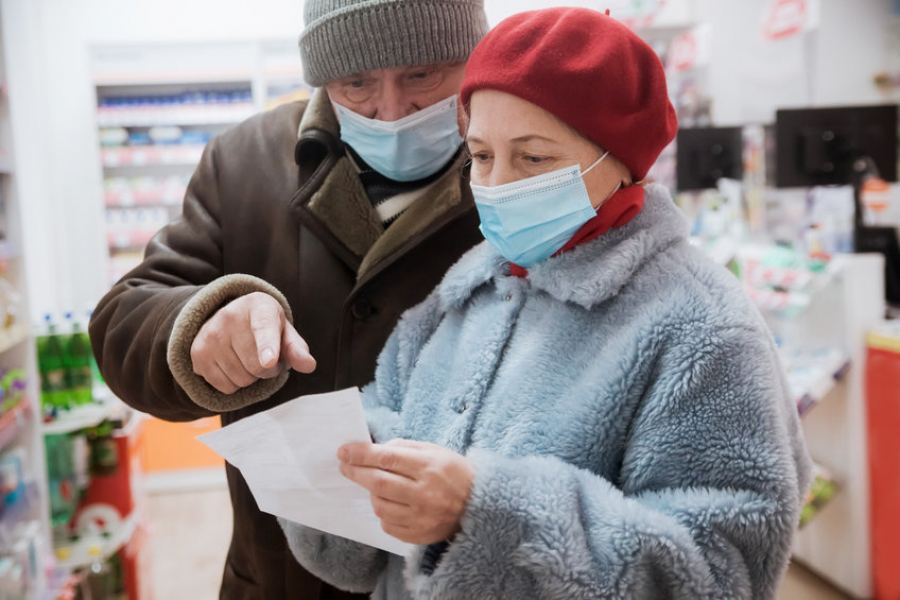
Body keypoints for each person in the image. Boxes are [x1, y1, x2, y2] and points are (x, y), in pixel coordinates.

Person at [278, 7, 813, 600]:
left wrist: (486, 514)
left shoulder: (703, 327)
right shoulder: (471, 286)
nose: (500, 184)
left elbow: (720, 571)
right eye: (481, 156)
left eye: (534, 158)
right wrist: (349, 463)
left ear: (618, 156)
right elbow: (392, 413)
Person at [88, 0, 489, 597]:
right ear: (323, 75)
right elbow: (124, 315)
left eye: (423, 75)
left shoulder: (517, 164)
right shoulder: (243, 163)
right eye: (357, 82)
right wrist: (200, 326)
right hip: (281, 576)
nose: (392, 110)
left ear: (471, 59)